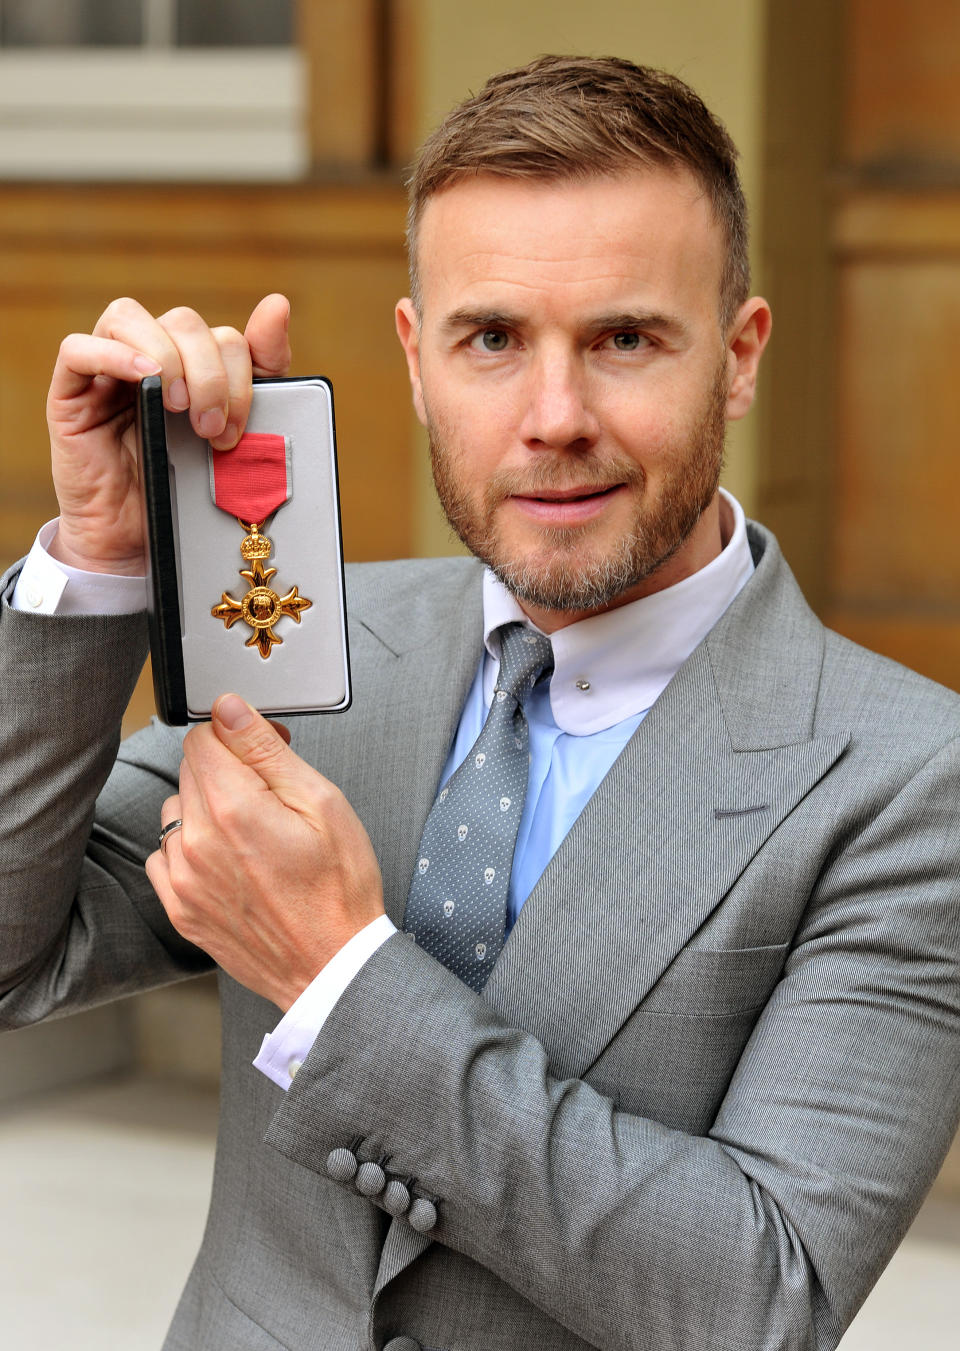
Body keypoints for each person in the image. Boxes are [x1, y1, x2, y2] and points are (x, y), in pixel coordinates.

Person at [1, 54, 959, 1351]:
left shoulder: (912, 782)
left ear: (737, 358)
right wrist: (104, 556)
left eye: (624, 338)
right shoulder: (300, 642)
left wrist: (340, 979)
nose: (553, 418)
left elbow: (756, 1298)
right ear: (416, 356)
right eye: (493, 339)